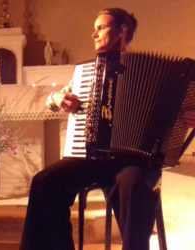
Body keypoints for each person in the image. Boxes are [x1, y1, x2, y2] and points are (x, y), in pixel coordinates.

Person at [21, 7, 195, 250]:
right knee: (44, 181)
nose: (94, 35)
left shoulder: (164, 74)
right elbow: (53, 100)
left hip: (138, 162)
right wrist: (56, 97)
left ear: (121, 31)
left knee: (131, 185)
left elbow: (185, 106)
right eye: (94, 29)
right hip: (95, 159)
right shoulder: (89, 73)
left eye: (100, 28)